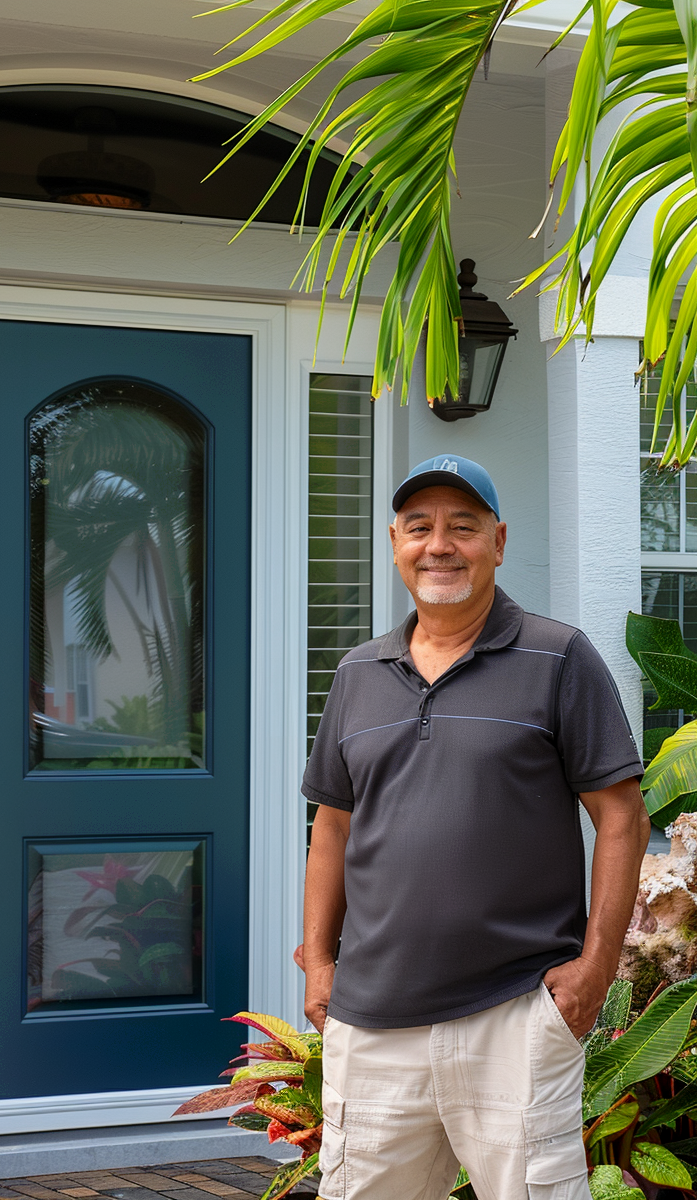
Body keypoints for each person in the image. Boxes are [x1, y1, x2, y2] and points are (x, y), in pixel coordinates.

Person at [301, 454, 650, 1200]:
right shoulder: (358, 672)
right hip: (373, 1023)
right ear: (394, 541)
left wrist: (594, 970)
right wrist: (321, 965)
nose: (440, 545)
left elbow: (621, 817)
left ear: (497, 540)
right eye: (420, 527)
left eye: (462, 527)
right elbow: (331, 827)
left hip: (514, 1014)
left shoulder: (558, 656)